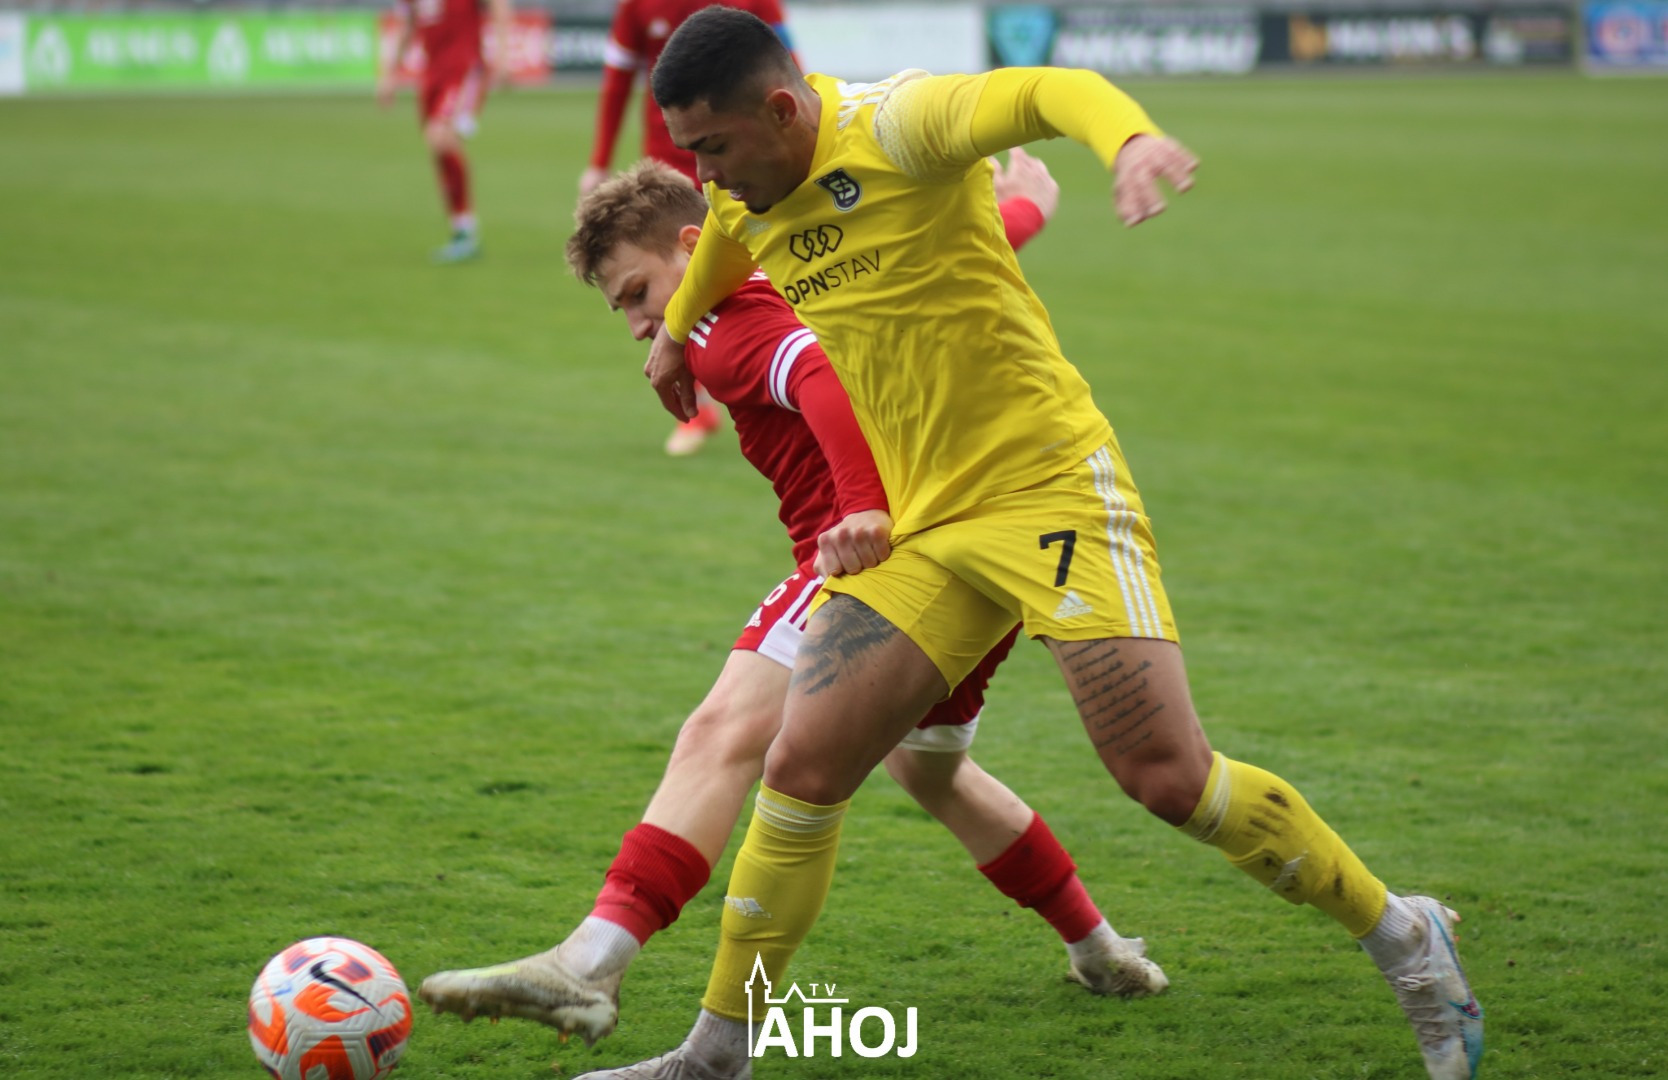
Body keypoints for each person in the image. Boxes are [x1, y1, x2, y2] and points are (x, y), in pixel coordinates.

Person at [572, 8, 1484, 1080]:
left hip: (1047, 488)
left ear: (781, 110)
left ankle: (1406, 938)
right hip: (925, 521)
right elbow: (726, 235)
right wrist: (676, 336)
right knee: (803, 765)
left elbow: (1052, 90)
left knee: (1166, 778)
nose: (702, 173)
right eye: (690, 151)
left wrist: (1128, 140)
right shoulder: (743, 191)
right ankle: (716, 1055)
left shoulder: (903, 122)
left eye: (714, 146)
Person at [414, 153, 1167, 1045]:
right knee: (927, 767)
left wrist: (857, 506)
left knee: (721, 731)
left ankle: (588, 965)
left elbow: (813, 370)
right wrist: (1026, 213)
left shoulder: (722, 326)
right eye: (622, 308)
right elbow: (930, 271)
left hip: (872, 555)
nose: (638, 322)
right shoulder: (802, 256)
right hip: (977, 538)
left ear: (692, 245)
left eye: (637, 293)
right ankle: (1098, 948)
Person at [579, 0, 796, 456]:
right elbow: (617, 79)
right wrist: (599, 160)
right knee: (662, 287)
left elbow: (785, 65)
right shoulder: (637, 6)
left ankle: (778, 380)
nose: (634, 329)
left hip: (741, 165)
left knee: (763, 271)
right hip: (668, 176)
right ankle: (697, 409)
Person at [378, 0, 512, 263]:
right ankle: (461, 229)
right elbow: (408, 24)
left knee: (440, 137)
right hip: (431, 76)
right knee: (437, 146)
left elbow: (499, 5)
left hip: (464, 69)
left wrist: (503, 56)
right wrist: (390, 74)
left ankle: (466, 233)